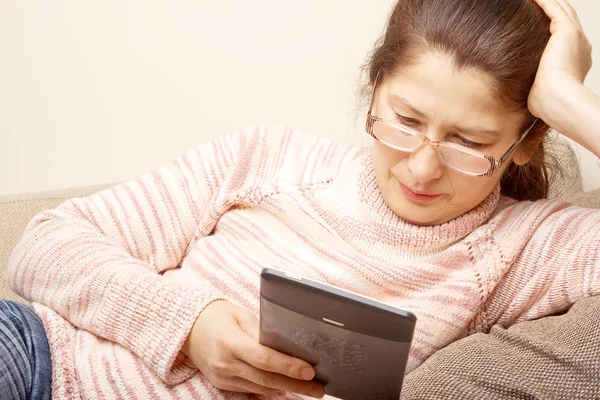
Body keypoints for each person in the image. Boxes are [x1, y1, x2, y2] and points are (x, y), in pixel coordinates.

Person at [3, 0, 600, 398]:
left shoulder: (525, 248)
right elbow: (43, 247)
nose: (421, 166)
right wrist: (190, 326)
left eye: (470, 142)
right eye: (404, 119)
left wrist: (570, 102)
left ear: (527, 141)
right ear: (375, 89)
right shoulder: (271, 157)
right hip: (43, 362)